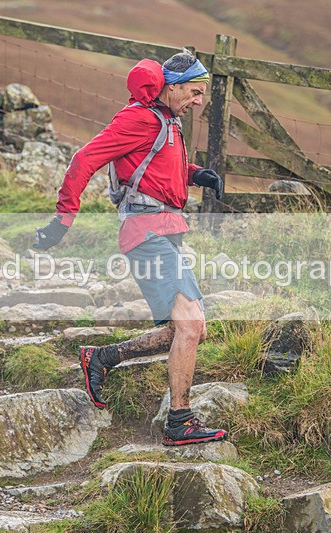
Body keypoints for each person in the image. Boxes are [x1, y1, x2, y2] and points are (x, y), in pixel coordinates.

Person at [34, 49, 227, 446]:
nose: (199, 102)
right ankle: (179, 421)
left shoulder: (167, 120)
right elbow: (83, 160)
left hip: (164, 230)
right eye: (194, 93)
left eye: (201, 94)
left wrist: (197, 175)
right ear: (171, 88)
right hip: (146, 234)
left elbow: (157, 168)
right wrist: (62, 219)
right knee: (190, 325)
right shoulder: (139, 118)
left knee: (190, 328)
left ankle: (102, 358)